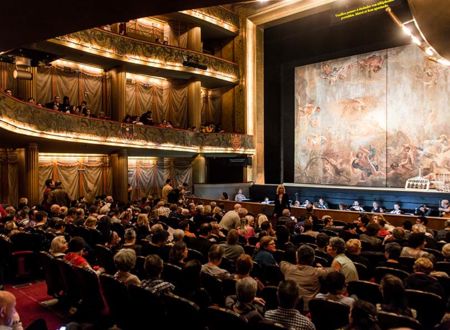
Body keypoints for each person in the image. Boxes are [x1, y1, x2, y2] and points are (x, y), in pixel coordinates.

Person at [280, 244, 329, 311]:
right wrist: (321, 268)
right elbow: (331, 271)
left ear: (297, 258)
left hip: (288, 305)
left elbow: (282, 262)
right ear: (313, 259)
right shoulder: (317, 272)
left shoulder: (287, 268)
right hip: (308, 309)